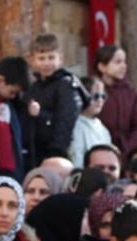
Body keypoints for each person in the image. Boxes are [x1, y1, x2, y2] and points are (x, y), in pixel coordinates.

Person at [27, 33, 83, 165]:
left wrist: (56, 152)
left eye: (51, 58)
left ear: (60, 58)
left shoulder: (66, 84)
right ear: (33, 60)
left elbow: (66, 120)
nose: (46, 63)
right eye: (41, 58)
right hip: (36, 150)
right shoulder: (34, 87)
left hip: (56, 152)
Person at [93, 45, 137, 158]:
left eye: (124, 62)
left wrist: (128, 149)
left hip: (127, 154)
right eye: (117, 62)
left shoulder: (132, 94)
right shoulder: (93, 91)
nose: (123, 66)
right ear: (102, 67)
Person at [69, 76, 111, 168]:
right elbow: (77, 159)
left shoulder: (103, 129)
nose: (100, 100)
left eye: (103, 96)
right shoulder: (76, 126)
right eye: (95, 96)